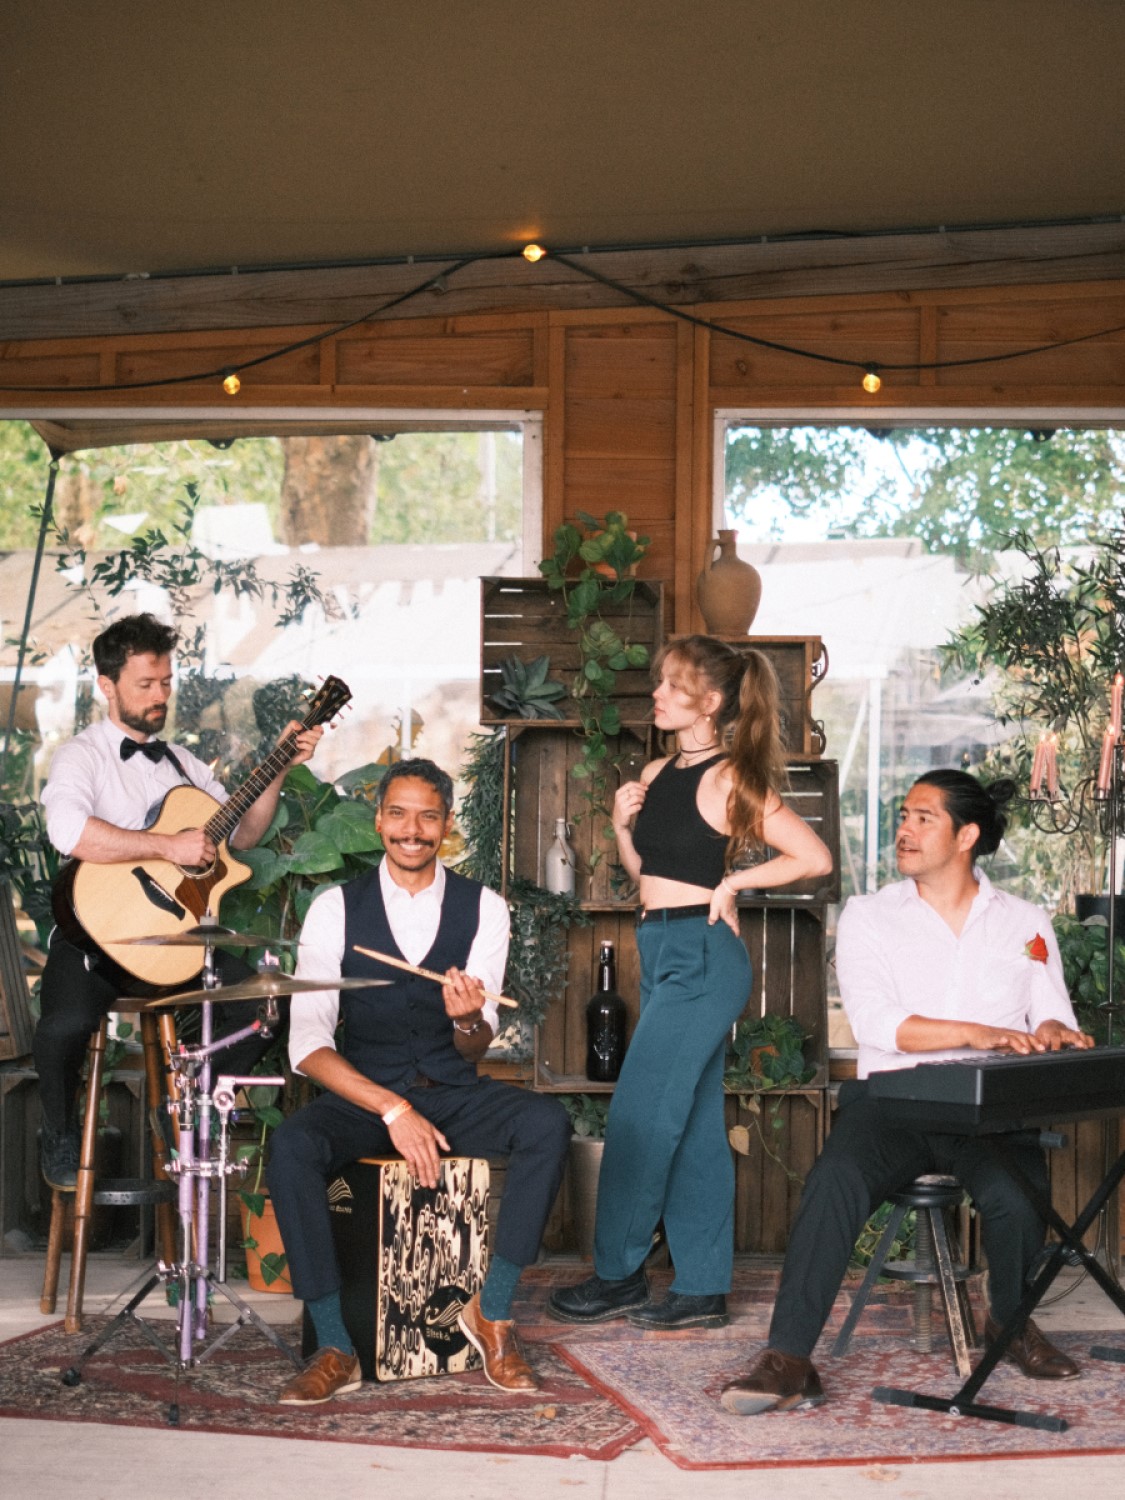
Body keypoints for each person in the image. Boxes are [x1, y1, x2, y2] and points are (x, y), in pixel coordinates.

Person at [719, 770, 1093, 1416]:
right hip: (892, 1101)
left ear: (966, 835)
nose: (904, 829)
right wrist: (982, 1032)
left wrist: (1056, 1030)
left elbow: (1047, 1013)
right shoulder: (869, 917)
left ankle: (1006, 1323)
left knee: (1017, 1197)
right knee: (833, 1180)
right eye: (903, 815)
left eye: (924, 818)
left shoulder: (1025, 925)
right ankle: (787, 1358)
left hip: (984, 1106)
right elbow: (876, 1025)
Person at [548, 636, 833, 1331]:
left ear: (708, 702)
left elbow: (812, 856)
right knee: (697, 1128)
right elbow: (644, 869)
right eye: (659, 683)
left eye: (672, 686)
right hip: (665, 945)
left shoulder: (730, 776)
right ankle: (702, 1288)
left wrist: (734, 880)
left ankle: (617, 1275)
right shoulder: (659, 768)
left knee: (639, 1117)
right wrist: (620, 824)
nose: (657, 695)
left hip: (704, 957)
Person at [267, 757, 570, 1404]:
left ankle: (492, 1314)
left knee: (547, 1124)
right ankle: (334, 1346)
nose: (412, 829)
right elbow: (308, 1045)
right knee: (293, 1145)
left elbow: (478, 1041)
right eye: (398, 813)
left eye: (428, 816)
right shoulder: (333, 909)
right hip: (365, 1095)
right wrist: (391, 1109)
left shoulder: (484, 908)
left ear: (447, 826)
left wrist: (466, 1020)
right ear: (378, 820)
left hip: (453, 1090)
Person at [34, 611, 322, 1190]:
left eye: (165, 682)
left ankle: (184, 1114)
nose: (159, 695)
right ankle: (60, 1134)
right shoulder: (81, 756)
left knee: (267, 1007)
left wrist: (279, 769)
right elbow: (70, 832)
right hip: (96, 941)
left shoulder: (182, 764)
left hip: (175, 951)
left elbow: (241, 836)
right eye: (145, 684)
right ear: (107, 686)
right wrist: (166, 843)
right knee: (63, 1025)